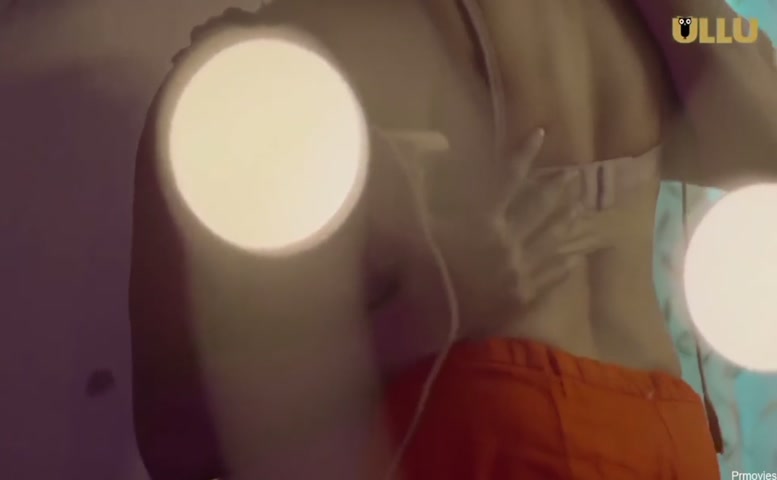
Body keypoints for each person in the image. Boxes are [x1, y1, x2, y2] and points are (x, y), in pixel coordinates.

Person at [129, 0, 777, 479]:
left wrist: (423, 318)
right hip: (669, 439)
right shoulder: (661, 29)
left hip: (488, 437)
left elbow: (177, 438)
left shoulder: (307, 41)